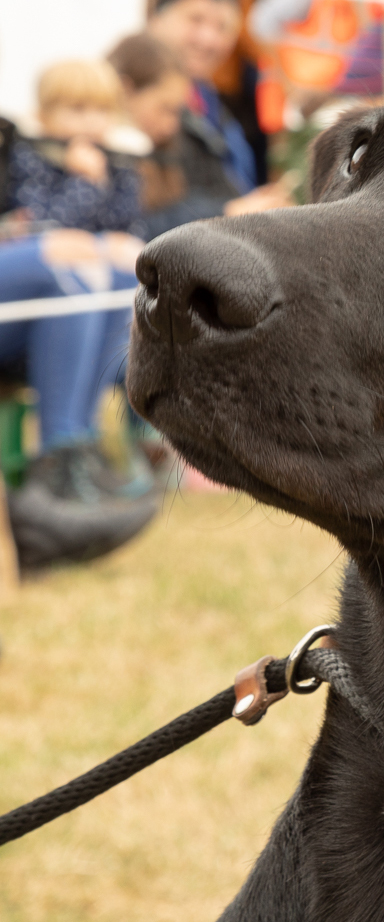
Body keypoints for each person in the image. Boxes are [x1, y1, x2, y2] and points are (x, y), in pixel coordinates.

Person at [0, 60, 156, 569]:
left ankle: (79, 447)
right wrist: (85, 182)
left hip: (47, 289)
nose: (89, 122)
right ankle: (60, 457)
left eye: (100, 110)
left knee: (117, 275)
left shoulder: (120, 162)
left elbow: (123, 226)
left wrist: (116, 237)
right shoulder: (30, 157)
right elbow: (50, 224)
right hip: (28, 284)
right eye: (75, 109)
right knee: (75, 264)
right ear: (44, 114)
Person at [147, 0, 290, 225]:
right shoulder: (126, 100)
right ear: (155, 17)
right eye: (195, 19)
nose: (208, 40)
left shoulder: (216, 109)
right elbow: (133, 214)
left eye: (222, 27)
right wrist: (228, 210)